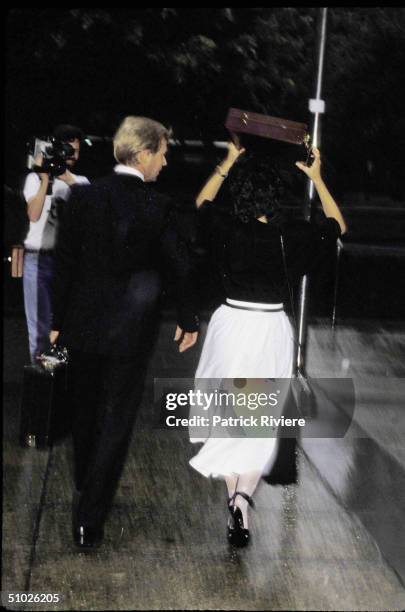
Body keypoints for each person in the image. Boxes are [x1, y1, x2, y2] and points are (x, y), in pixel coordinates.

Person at [50, 116, 199, 549]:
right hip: (130, 332)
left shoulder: (84, 198)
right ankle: (88, 517)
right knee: (115, 419)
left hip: (82, 324)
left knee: (84, 412)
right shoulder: (159, 206)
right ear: (145, 153)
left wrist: (58, 323)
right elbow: (180, 266)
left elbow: (65, 265)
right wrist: (188, 319)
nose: (166, 163)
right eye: (164, 153)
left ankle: (85, 484)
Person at [189, 143, 347, 547]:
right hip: (270, 328)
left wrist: (226, 163)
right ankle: (242, 498)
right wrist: (317, 178)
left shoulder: (225, 228)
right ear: (276, 197)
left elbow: (201, 202)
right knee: (259, 422)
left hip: (231, 326)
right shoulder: (291, 236)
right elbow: (337, 225)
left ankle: (234, 499)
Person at [22, 124, 89, 363]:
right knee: (38, 329)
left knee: (64, 326)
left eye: (76, 151)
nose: (72, 156)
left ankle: (60, 383)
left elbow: (91, 206)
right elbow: (34, 214)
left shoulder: (80, 181)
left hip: (66, 262)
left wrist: (66, 178)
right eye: (68, 150)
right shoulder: (35, 178)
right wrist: (44, 180)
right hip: (37, 259)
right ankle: (38, 381)